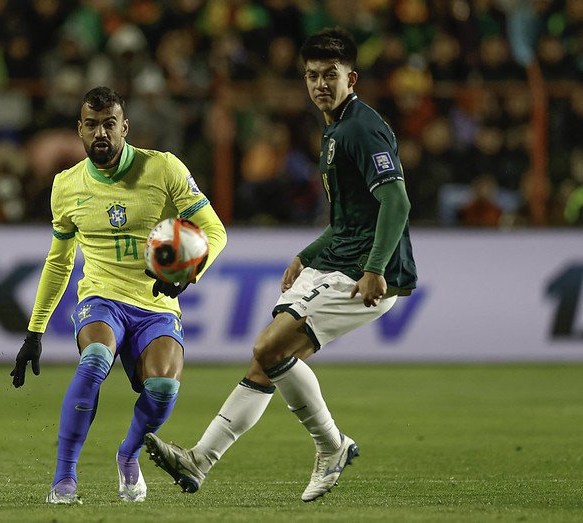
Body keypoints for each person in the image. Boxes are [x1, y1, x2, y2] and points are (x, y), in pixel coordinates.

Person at [144, 28, 417, 502]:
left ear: (350, 77)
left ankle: (331, 447)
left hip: (363, 272)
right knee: (266, 360)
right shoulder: (334, 129)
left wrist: (375, 268)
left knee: (269, 347)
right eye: (311, 76)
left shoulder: (361, 127)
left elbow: (396, 201)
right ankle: (200, 460)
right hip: (338, 260)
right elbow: (349, 219)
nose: (320, 85)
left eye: (330, 75)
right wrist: (306, 255)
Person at [10, 86, 227, 505]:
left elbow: (215, 231)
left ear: (125, 127)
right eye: (91, 125)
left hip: (156, 303)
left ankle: (128, 455)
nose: (100, 133)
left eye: (109, 124)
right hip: (101, 299)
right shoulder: (66, 185)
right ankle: (64, 477)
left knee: (163, 387)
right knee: (95, 359)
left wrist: (189, 274)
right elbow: (59, 263)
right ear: (79, 129)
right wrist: (35, 331)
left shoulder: (164, 169)